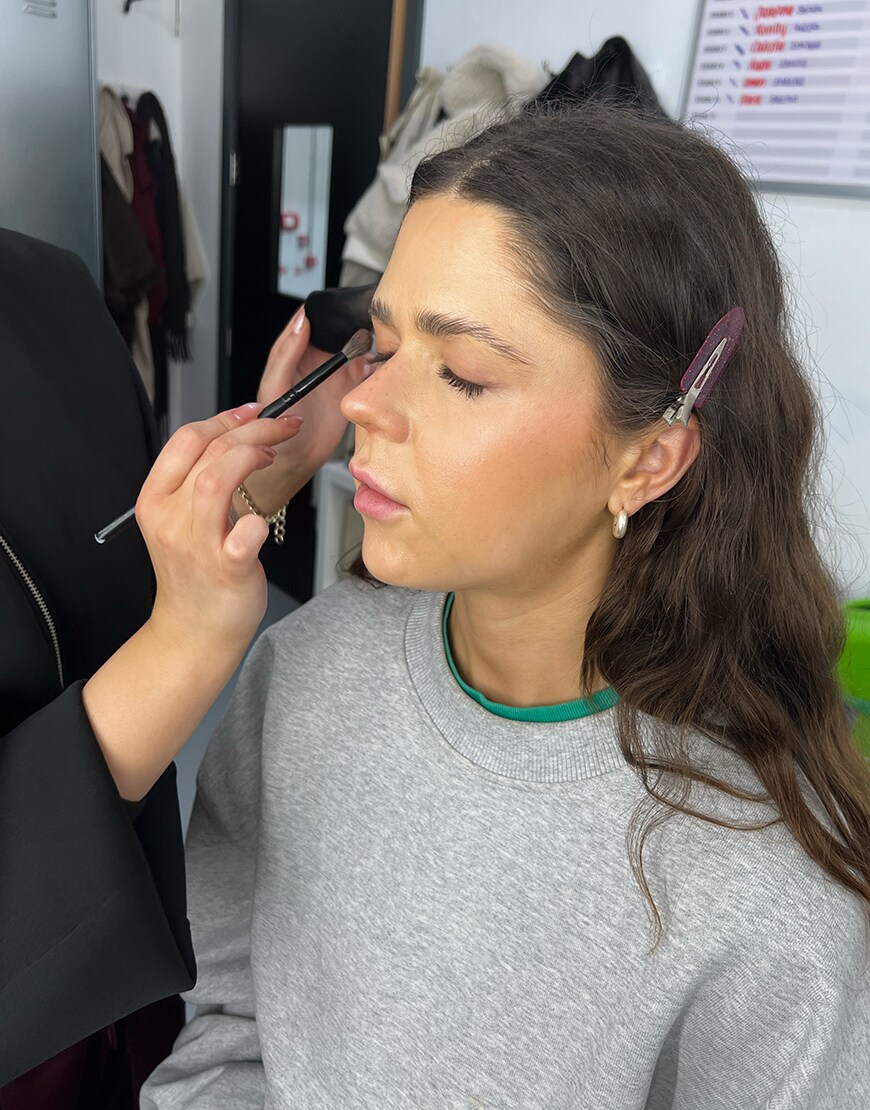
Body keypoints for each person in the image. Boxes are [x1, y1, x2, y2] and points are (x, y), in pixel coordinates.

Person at [142, 104, 870, 1109]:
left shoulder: (766, 882)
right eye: (381, 345)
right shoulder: (304, 671)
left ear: (647, 457)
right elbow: (227, 1026)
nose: (359, 405)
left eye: (466, 375)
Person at [0, 228, 367, 1103]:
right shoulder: (303, 680)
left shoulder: (46, 287)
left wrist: (253, 492)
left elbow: (107, 582)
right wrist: (186, 640)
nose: (380, 410)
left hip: (138, 978)